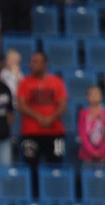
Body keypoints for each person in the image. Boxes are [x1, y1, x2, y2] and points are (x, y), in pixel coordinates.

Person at [17, 51, 67, 194]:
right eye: (32, 61)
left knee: (56, 167)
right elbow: (21, 104)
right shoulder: (24, 82)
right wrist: (39, 117)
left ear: (45, 64)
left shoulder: (57, 82)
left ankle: (56, 195)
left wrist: (51, 118)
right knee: (30, 167)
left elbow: (62, 104)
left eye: (36, 61)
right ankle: (34, 198)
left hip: (54, 132)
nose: (32, 64)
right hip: (31, 133)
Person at [78, 86, 105, 165]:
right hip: (86, 154)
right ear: (87, 97)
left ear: (101, 97)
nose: (94, 96)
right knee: (88, 175)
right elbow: (82, 134)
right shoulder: (83, 113)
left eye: (97, 94)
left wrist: (101, 151)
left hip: (103, 155)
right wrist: (92, 151)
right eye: (91, 94)